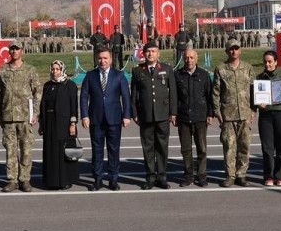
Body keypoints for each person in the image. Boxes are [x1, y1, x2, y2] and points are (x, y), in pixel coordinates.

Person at [80, 47, 131, 190]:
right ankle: (97, 179)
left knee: (114, 150)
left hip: (114, 119)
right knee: (97, 151)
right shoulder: (90, 75)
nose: (102, 61)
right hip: (95, 119)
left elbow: (126, 97)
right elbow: (84, 97)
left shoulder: (119, 75)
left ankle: (113, 179)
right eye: (100, 58)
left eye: (105, 58)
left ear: (111, 59)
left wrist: (127, 115)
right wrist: (84, 115)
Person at [130, 42, 178, 189]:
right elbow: (134, 95)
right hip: (145, 116)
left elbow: (173, 93)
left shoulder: (166, 69)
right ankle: (150, 177)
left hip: (163, 115)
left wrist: (173, 112)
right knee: (148, 148)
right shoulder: (138, 71)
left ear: (158, 53)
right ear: (143, 54)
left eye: (153, 51)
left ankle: (162, 176)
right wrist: (134, 113)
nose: (151, 54)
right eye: (148, 51)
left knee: (162, 147)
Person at [0, 43, 41, 192]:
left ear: (22, 50)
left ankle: (25, 179)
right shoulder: (3, 70)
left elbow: (37, 93)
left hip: (25, 117)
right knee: (10, 150)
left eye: (17, 49)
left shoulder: (30, 70)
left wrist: (35, 113)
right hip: (8, 116)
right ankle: (12, 180)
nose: (14, 51)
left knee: (26, 149)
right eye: (12, 49)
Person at [212, 39, 255, 187]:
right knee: (229, 146)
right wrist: (217, 112)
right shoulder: (221, 68)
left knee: (245, 146)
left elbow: (254, 90)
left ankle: (241, 174)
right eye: (231, 49)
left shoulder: (248, 68)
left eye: (236, 48)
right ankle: (230, 175)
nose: (234, 51)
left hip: (245, 113)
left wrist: (253, 110)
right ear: (226, 51)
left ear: (240, 50)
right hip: (228, 115)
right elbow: (216, 92)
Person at [255, 49, 281, 186]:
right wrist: (258, 104)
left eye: (270, 62)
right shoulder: (260, 77)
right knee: (267, 148)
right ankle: (269, 176)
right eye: (265, 62)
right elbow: (254, 97)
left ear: (276, 62)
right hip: (265, 116)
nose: (267, 64)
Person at [174, 49, 213, 186]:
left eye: (191, 57)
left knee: (201, 148)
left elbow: (209, 96)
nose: (189, 60)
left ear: (196, 59)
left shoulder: (204, 74)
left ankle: (201, 175)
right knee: (186, 149)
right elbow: (174, 97)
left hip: (200, 117)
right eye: (186, 57)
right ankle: (188, 175)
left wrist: (210, 113)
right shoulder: (177, 75)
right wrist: (173, 114)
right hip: (183, 117)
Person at [39, 60, 80, 190]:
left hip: (64, 123)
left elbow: (74, 106)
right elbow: (43, 106)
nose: (55, 71)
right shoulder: (47, 85)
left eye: (57, 69)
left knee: (63, 152)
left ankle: (65, 180)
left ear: (62, 70)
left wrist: (73, 123)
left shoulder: (70, 85)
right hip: (49, 123)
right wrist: (42, 124)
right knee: (50, 152)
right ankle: (51, 181)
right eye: (53, 69)